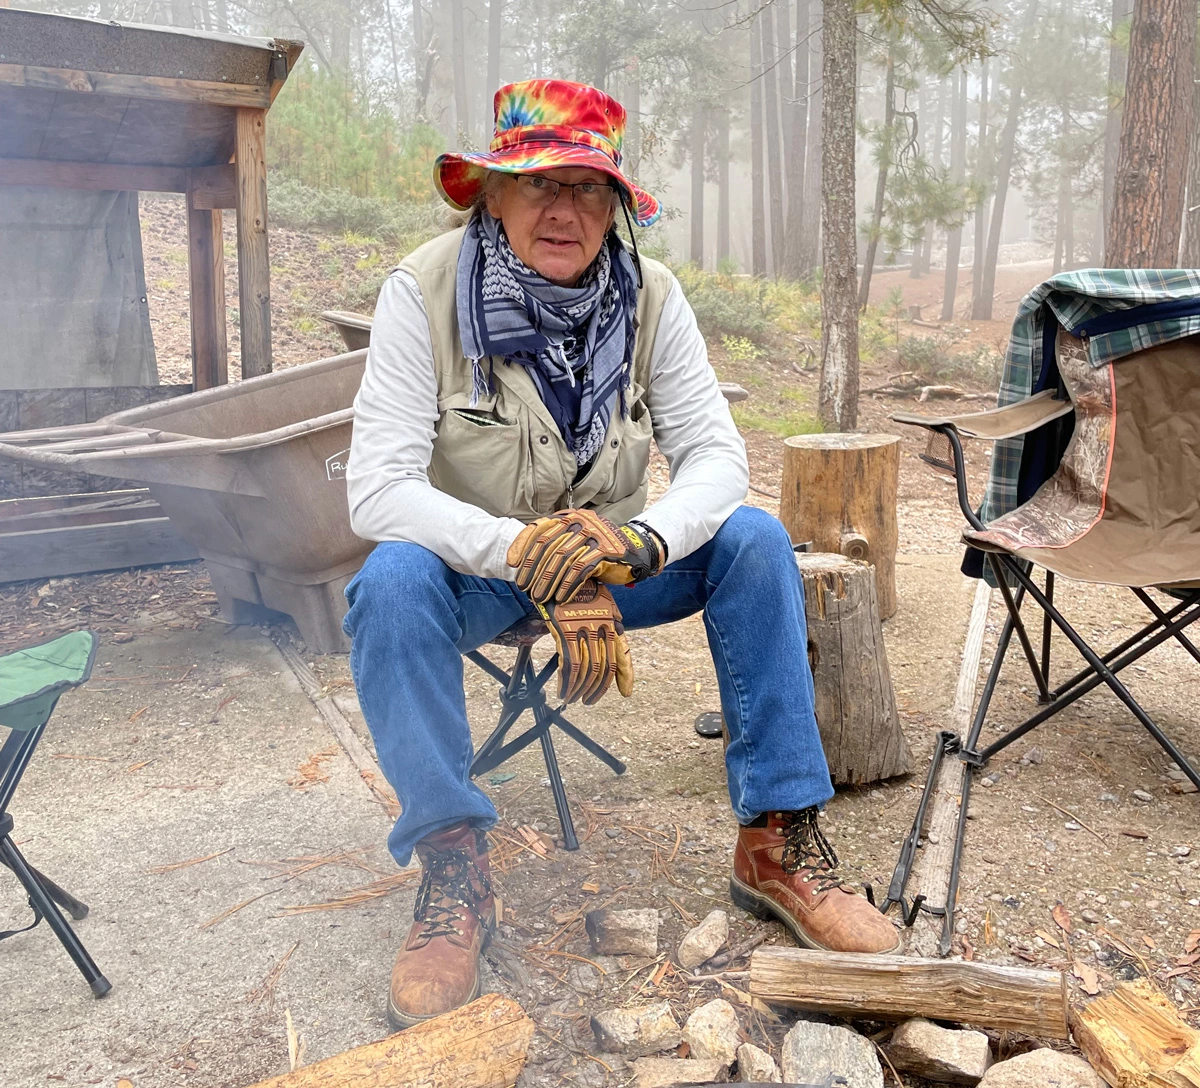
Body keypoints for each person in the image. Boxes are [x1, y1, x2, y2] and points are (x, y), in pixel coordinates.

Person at [344, 78, 899, 1032]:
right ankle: (455, 869)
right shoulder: (421, 293)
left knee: (755, 539)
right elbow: (378, 488)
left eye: (588, 188)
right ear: (490, 195)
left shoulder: (651, 297)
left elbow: (719, 456)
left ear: (613, 208)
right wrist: (523, 549)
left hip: (621, 565)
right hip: (481, 574)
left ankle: (775, 840)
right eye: (537, 185)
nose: (564, 209)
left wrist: (641, 543)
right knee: (388, 581)